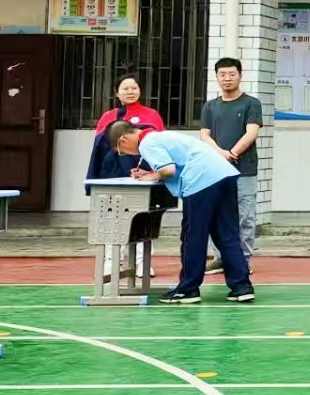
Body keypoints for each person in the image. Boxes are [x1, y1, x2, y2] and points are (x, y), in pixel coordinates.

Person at [107, 120, 254, 304]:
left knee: (193, 236)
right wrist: (151, 173)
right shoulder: (159, 135)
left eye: (122, 152)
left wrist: (147, 177)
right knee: (227, 235)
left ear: (123, 140)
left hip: (201, 181)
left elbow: (168, 170)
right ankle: (242, 287)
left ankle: (188, 288)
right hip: (224, 175)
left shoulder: (146, 143)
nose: (128, 154)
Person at [200, 57, 263, 274]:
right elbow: (204, 135)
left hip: (244, 169)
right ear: (217, 77)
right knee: (217, 214)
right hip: (215, 170)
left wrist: (233, 153)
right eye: (222, 75)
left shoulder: (251, 103)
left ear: (240, 76)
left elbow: (252, 131)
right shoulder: (210, 106)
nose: (227, 79)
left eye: (232, 74)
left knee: (245, 215)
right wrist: (221, 154)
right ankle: (220, 257)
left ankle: (243, 260)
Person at [88, 75, 165, 182]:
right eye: (125, 88)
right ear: (117, 93)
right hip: (113, 175)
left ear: (139, 90)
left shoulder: (152, 114)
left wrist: (153, 172)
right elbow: (99, 149)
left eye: (134, 88)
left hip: (145, 174)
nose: (130, 92)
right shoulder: (108, 116)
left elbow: (160, 147)